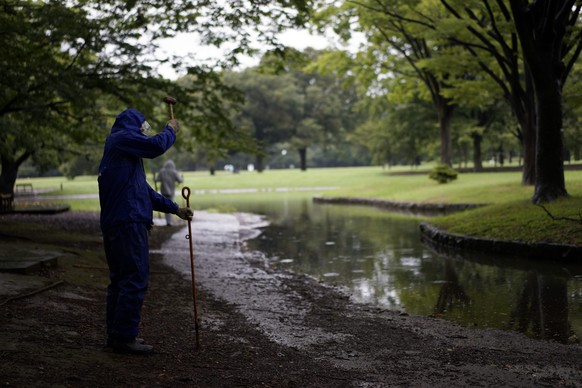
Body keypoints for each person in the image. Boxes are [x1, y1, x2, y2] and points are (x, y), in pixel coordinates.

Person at [98, 108, 193, 355]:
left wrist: (175, 210)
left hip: (119, 222)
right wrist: (171, 130)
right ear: (134, 126)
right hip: (128, 222)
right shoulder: (122, 139)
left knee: (121, 280)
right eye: (142, 127)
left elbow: (144, 191)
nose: (143, 132)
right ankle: (124, 336)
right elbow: (155, 147)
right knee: (134, 278)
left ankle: (117, 335)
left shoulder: (123, 153)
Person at [155, 160, 183, 226]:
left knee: (165, 205)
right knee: (171, 205)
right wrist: (182, 178)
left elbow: (157, 180)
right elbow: (180, 180)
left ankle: (168, 221)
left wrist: (154, 178)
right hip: (171, 191)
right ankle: (169, 221)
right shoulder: (174, 172)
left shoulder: (162, 171)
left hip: (164, 191)